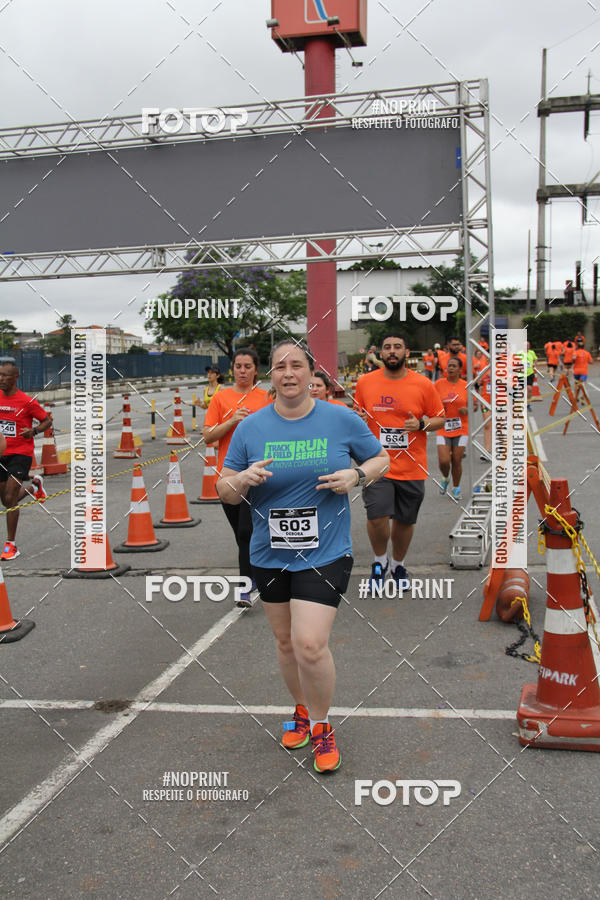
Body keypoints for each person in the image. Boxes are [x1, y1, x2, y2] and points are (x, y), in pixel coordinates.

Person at [217, 339, 388, 773]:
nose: (288, 373)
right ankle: (299, 708)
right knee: (285, 643)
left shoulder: (340, 418)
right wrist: (244, 479)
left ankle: (322, 724)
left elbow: (382, 459)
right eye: (279, 367)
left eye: (297, 366)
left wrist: (355, 474)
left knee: (310, 643)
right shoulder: (251, 427)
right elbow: (224, 489)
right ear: (269, 376)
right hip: (269, 553)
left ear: (312, 375)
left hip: (325, 550)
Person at [353, 334, 445, 593]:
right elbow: (358, 414)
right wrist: (358, 417)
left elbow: (440, 418)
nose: (392, 352)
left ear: (406, 352)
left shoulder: (424, 384)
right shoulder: (365, 382)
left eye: (397, 347)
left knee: (405, 521)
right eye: (387, 348)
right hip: (377, 463)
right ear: (380, 353)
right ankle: (379, 561)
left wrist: (421, 424)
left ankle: (399, 564)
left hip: (412, 465)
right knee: (377, 515)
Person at [203, 348, 269, 607]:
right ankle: (257, 570)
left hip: (257, 474)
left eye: (247, 366)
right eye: (238, 366)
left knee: (245, 531)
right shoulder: (221, 398)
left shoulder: (266, 398)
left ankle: (246, 586)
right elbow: (208, 436)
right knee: (242, 533)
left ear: (256, 370)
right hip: (228, 477)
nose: (242, 371)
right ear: (232, 369)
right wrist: (231, 421)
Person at [0, 361, 52, 560]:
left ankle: (11, 545)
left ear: (15, 378)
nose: (1, 379)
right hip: (1, 453)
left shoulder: (26, 402)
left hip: (21, 453)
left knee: (11, 497)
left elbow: (47, 420)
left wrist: (34, 431)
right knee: (5, 499)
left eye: (5, 375)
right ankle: (33, 488)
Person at [434, 357, 468, 499]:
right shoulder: (439, 384)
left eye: (454, 366)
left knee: (457, 459)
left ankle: (456, 487)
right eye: (449, 366)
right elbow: (432, 403)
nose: (451, 368)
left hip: (462, 428)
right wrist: (439, 410)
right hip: (443, 427)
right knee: (444, 461)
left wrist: (466, 410)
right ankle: (445, 477)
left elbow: (475, 405)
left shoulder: (466, 385)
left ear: (460, 369)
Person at [473, 349, 492, 460]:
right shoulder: (483, 369)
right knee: (487, 424)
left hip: (501, 401)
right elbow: (476, 384)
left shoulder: (503, 369)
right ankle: (487, 451)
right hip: (485, 401)